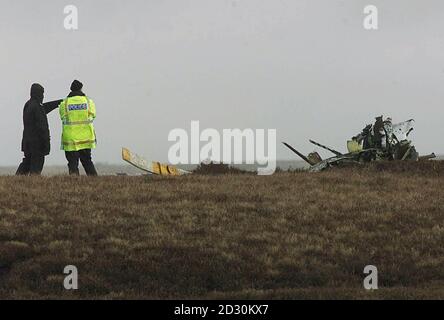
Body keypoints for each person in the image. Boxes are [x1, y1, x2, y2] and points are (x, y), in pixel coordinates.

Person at [16, 83, 62, 175]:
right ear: (38, 93)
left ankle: (16, 180)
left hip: (27, 142)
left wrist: (58, 102)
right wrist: (46, 142)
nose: (43, 96)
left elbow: (44, 107)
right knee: (36, 168)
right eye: (42, 93)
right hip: (37, 144)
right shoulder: (37, 107)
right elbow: (42, 127)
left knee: (26, 163)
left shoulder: (28, 105)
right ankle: (33, 184)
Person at [59, 80, 98, 176]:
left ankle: (74, 184)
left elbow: (63, 117)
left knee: (72, 164)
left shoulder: (64, 103)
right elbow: (93, 116)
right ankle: (95, 182)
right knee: (87, 162)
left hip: (71, 140)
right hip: (86, 138)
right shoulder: (89, 102)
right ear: (81, 88)